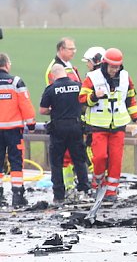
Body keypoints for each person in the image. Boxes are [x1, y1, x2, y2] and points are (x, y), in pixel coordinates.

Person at [78, 48, 137, 201]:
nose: (114, 70)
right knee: (100, 157)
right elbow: (82, 99)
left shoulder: (126, 77)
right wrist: (94, 96)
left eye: (117, 67)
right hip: (98, 125)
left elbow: (130, 99)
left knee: (116, 159)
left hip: (119, 125)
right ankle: (98, 183)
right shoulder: (92, 77)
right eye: (112, 67)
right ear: (104, 64)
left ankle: (111, 191)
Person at [39, 64, 89, 204]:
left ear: (53, 75)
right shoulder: (78, 86)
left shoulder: (51, 89)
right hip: (75, 126)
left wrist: (54, 110)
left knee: (56, 162)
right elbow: (85, 104)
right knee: (79, 160)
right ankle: (84, 190)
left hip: (58, 127)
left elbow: (42, 110)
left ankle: (59, 195)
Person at [45, 37, 81, 192]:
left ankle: (75, 184)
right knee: (65, 156)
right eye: (70, 49)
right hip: (63, 119)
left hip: (74, 118)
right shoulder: (55, 69)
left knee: (76, 156)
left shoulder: (69, 66)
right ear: (61, 50)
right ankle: (68, 186)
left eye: (74, 48)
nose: (74, 52)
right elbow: (54, 95)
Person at [0, 53, 37, 207]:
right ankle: (17, 196)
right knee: (16, 162)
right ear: (7, 65)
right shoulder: (16, 82)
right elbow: (26, 105)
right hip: (14, 131)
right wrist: (32, 124)